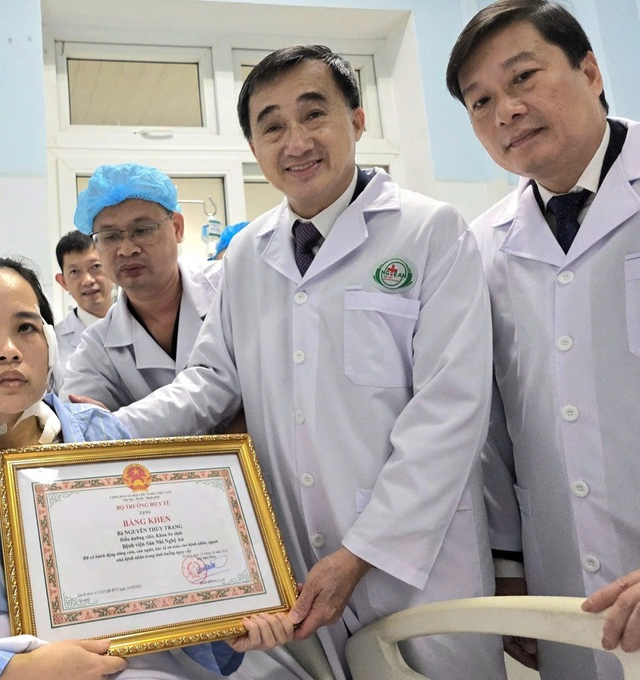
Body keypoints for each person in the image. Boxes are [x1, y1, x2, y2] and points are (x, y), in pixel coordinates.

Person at [110, 45, 505, 679]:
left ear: (357, 120)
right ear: (254, 147)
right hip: (297, 556)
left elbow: (450, 410)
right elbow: (210, 381)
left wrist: (362, 551)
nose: (295, 142)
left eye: (313, 114)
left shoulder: (429, 231)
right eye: (271, 127)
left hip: (418, 558)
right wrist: (99, 432)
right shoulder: (247, 255)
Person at [0, 253, 291, 679]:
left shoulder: (105, 440)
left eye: (26, 327)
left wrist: (231, 620)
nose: (8, 349)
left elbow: (166, 585)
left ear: (50, 343)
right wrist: (10, 671)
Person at [446, 1, 640, 676]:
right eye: (480, 101)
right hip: (567, 589)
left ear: (590, 71)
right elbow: (490, 425)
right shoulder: (481, 247)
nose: (506, 110)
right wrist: (507, 566)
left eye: (523, 77)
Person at [60, 163, 225, 414]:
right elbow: (78, 421)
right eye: (110, 236)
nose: (127, 249)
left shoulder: (227, 286)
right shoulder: (98, 346)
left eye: (142, 230)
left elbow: (224, 388)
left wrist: (117, 422)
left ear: (177, 228)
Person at [52, 230, 115, 388]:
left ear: (112, 268)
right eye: (74, 272)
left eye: (96, 266)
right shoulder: (53, 345)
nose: (87, 280)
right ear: (63, 282)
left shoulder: (141, 324)